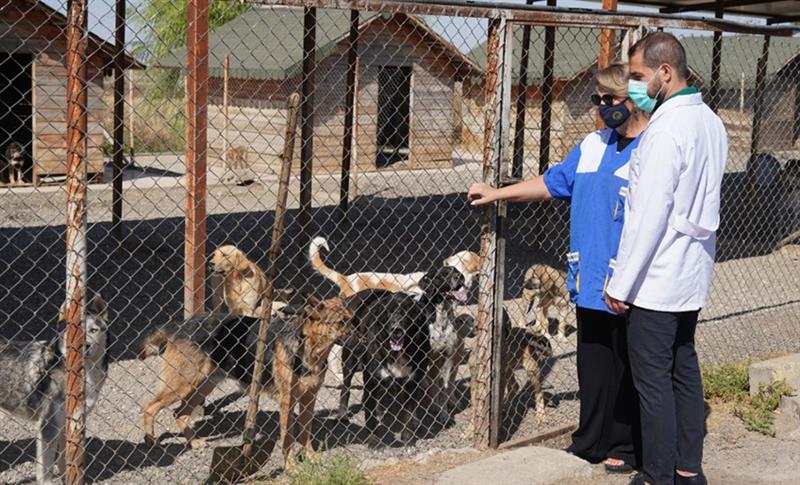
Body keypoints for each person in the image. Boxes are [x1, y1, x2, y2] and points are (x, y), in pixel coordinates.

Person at [468, 63, 646, 473]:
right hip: (589, 278)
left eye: (611, 99)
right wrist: (499, 194)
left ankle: (626, 444)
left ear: (633, 99)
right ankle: (591, 440)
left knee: (627, 364)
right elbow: (552, 183)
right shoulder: (591, 146)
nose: (602, 107)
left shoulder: (650, 149)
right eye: (597, 99)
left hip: (630, 278)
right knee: (594, 363)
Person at [604, 33, 727, 485]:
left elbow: (649, 216)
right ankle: (688, 470)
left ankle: (657, 475)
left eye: (638, 76)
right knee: (683, 371)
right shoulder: (710, 122)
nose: (634, 86)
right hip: (690, 273)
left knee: (652, 380)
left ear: (665, 72)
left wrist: (620, 283)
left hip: (657, 277)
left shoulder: (665, 130)